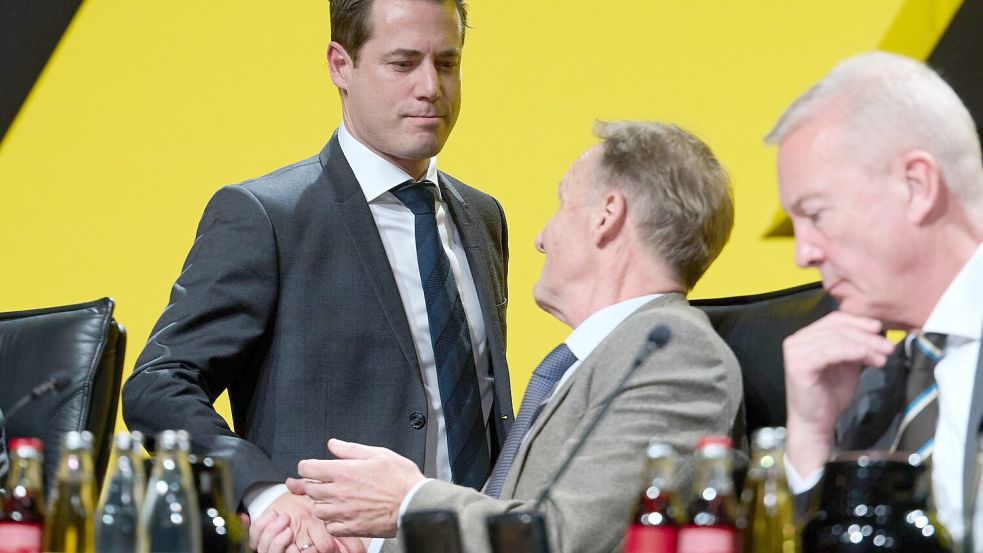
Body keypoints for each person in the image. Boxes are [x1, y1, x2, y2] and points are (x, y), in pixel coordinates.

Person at [122, 0, 513, 550]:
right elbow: (158, 386)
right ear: (339, 65)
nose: (430, 87)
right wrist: (260, 493)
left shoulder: (483, 217)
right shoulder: (267, 216)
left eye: (447, 63)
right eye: (403, 63)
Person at [250, 120, 746, 553]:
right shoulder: (599, 361)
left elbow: (566, 539)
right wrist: (369, 542)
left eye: (563, 204)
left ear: (607, 215)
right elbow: (506, 526)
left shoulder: (679, 357)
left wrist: (408, 501)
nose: (541, 237)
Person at [767, 51, 983, 548]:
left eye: (816, 214)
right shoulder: (867, 384)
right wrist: (810, 438)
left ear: (916, 186)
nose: (803, 253)